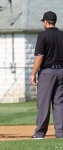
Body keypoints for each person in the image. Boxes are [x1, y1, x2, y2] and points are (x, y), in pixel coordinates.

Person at [31, 11, 63, 139]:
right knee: (59, 103)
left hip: (47, 72)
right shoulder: (62, 35)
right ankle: (60, 134)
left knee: (43, 103)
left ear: (45, 22)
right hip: (61, 71)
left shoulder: (43, 35)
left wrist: (33, 73)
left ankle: (39, 133)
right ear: (54, 22)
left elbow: (39, 57)